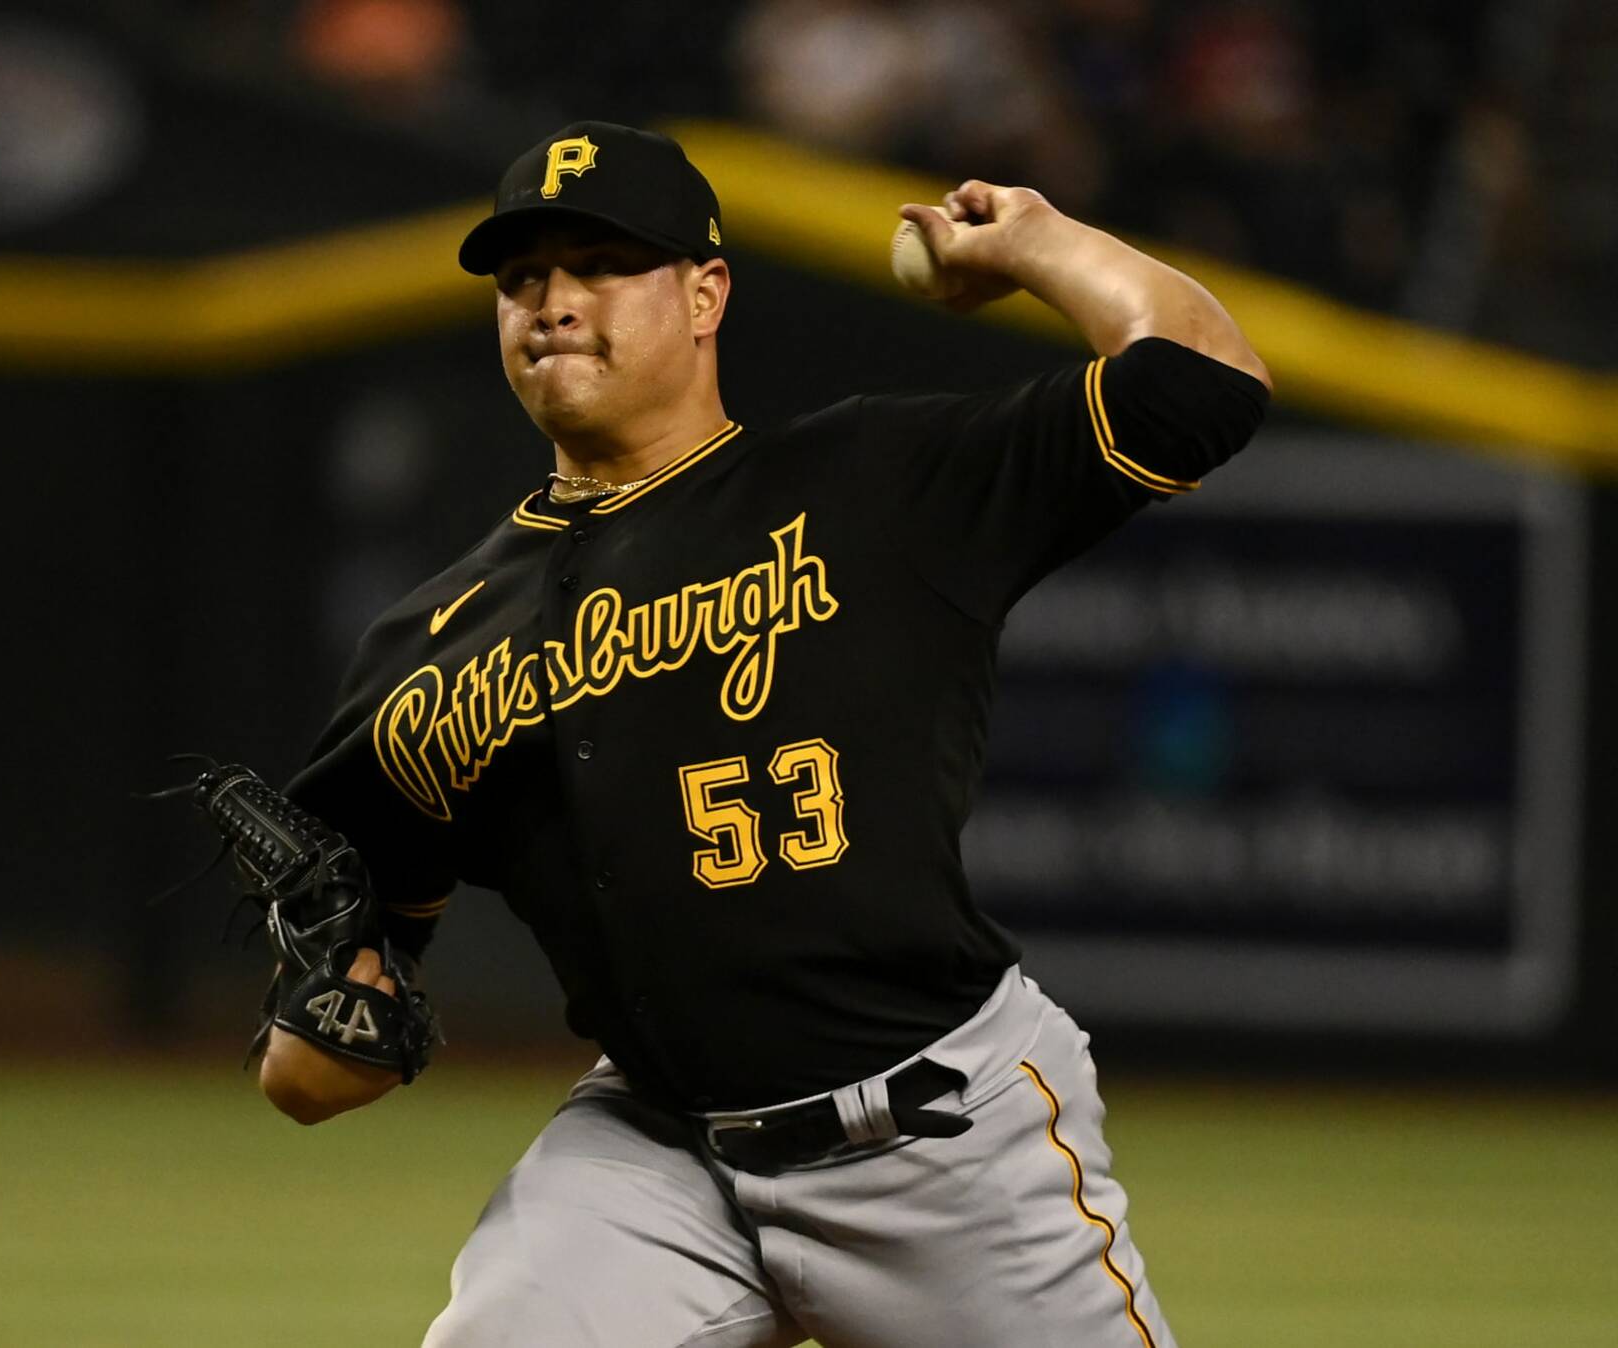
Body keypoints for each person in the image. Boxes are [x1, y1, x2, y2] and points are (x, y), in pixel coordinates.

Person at [260, 121, 1270, 1347]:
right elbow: (324, 1044)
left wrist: (1042, 245)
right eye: (523, 276)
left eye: (603, 265)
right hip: (654, 1149)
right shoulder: (429, 649)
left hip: (936, 1135)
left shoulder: (875, 482)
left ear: (705, 295)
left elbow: (1207, 380)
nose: (556, 301)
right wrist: (330, 1031)